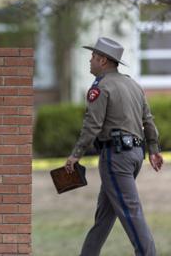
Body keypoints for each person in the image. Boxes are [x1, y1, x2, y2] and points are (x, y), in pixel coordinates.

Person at [64, 37, 164, 256]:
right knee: (104, 217)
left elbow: (92, 125)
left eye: (92, 57)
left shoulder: (101, 86)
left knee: (131, 213)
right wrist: (154, 150)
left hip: (116, 157)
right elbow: (148, 120)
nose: (89, 61)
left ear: (102, 60)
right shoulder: (133, 85)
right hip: (135, 154)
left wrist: (75, 155)